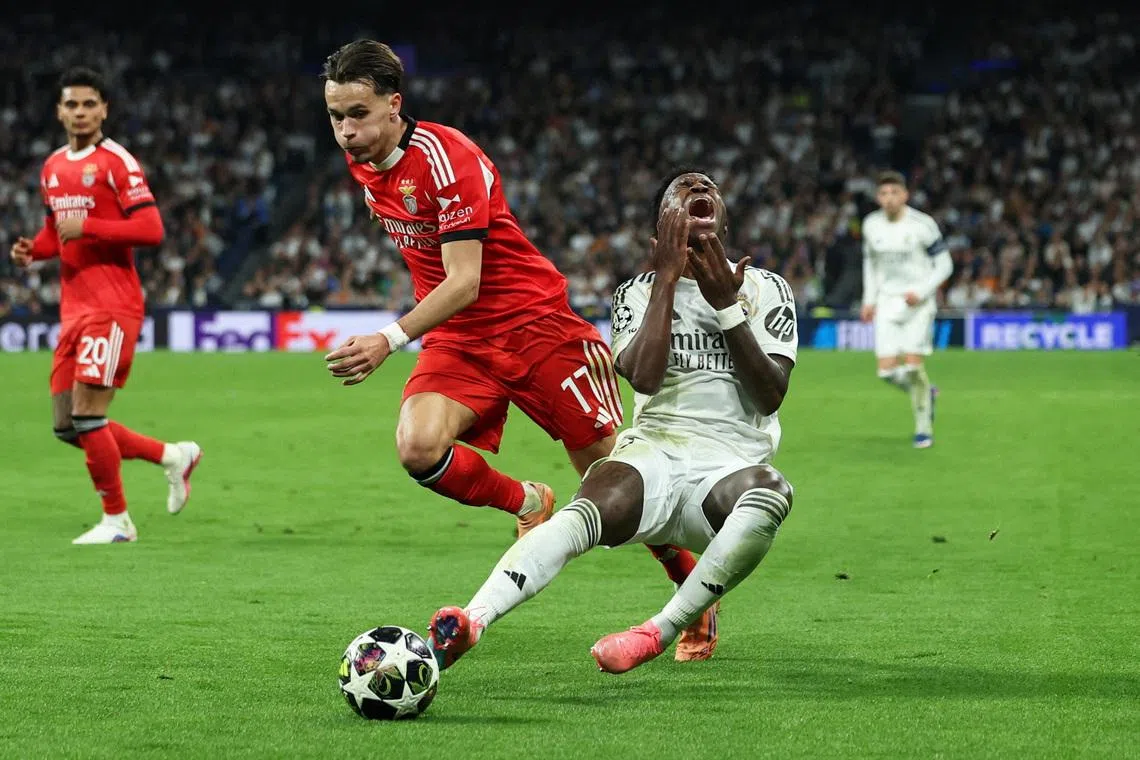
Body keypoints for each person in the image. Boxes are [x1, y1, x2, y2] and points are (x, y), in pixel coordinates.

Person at [319, 41, 718, 659]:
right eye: (336, 116)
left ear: (395, 105)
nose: (346, 131)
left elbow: (465, 279)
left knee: (616, 486)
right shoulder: (366, 163)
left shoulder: (446, 159)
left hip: (539, 330)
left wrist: (389, 338)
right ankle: (528, 500)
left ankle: (692, 590)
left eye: (359, 114)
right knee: (418, 447)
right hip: (462, 339)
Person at [426, 169, 798, 674]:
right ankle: (472, 621)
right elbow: (644, 377)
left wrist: (726, 306)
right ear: (659, 236)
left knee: (771, 492)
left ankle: (658, 631)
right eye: (680, 192)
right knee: (587, 504)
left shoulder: (766, 288)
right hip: (653, 456)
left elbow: (771, 393)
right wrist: (668, 280)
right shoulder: (637, 292)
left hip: (729, 468)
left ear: (725, 222)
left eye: (707, 187)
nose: (697, 189)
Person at [8, 67, 201, 544]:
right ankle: (171, 456)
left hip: (112, 307)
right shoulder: (52, 167)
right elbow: (57, 233)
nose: (79, 112)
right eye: (71, 104)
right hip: (72, 309)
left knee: (89, 416)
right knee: (65, 425)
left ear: (104, 110)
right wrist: (35, 249)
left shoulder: (117, 162)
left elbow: (151, 229)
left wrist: (91, 227)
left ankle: (118, 521)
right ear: (59, 111)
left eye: (88, 104)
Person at [859, 171, 953, 448]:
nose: (889, 199)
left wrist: (922, 291)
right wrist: (869, 300)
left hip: (918, 304)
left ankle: (923, 428)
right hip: (887, 302)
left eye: (894, 193)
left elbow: (945, 264)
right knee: (886, 373)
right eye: (884, 194)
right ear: (878, 197)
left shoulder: (922, 224)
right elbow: (871, 265)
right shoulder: (871, 225)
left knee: (913, 367)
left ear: (905, 195)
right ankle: (927, 392)